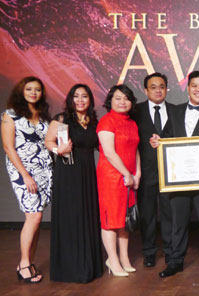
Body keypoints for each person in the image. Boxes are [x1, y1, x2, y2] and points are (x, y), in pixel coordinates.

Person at [149, 71, 199, 278]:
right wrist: (157, 141)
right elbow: (166, 138)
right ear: (188, 88)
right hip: (179, 180)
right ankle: (175, 261)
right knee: (178, 223)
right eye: (194, 85)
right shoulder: (175, 112)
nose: (198, 89)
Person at [46, 84, 103, 283]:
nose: (80, 100)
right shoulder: (62, 120)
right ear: (70, 99)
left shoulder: (93, 121)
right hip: (68, 173)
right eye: (76, 96)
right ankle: (70, 268)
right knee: (71, 216)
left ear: (90, 100)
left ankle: (89, 265)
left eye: (84, 96)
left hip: (88, 174)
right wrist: (58, 151)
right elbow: (49, 142)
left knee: (87, 215)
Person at [2, 76, 53, 283]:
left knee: (37, 219)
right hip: (24, 171)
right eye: (29, 89)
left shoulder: (41, 116)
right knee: (34, 216)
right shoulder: (10, 115)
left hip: (45, 170)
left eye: (38, 90)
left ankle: (27, 261)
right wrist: (25, 175)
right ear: (21, 91)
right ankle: (24, 264)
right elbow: (8, 147)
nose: (34, 93)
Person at [97, 84, 140, 277]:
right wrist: (126, 174)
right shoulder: (106, 122)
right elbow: (109, 153)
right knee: (111, 221)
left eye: (126, 98)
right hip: (112, 177)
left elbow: (135, 149)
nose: (123, 102)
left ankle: (124, 258)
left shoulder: (132, 122)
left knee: (125, 220)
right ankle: (112, 260)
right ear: (110, 102)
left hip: (129, 177)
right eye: (118, 98)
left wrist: (137, 173)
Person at [132, 73, 175, 268]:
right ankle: (149, 251)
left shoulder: (176, 111)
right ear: (145, 90)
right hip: (146, 172)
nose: (158, 90)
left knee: (169, 214)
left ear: (167, 89)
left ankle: (170, 251)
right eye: (153, 87)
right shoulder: (135, 111)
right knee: (147, 214)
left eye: (162, 86)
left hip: (172, 172)